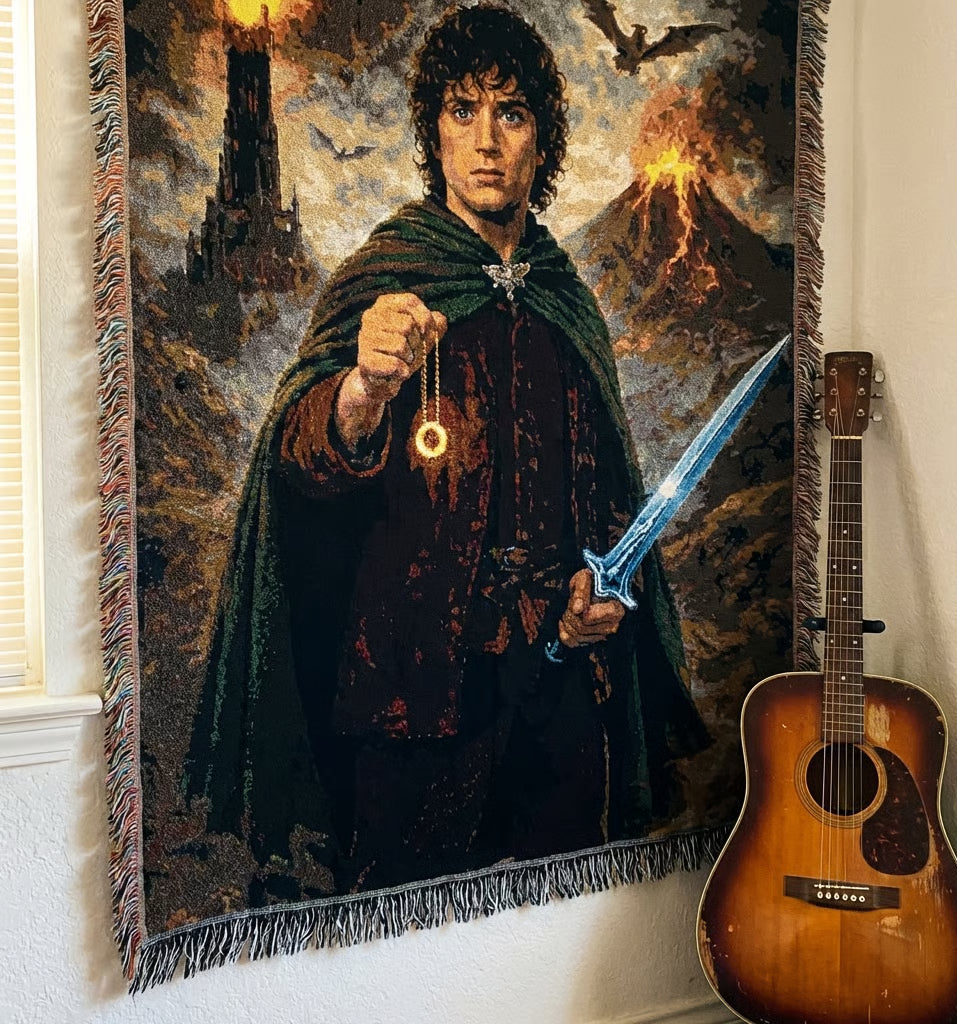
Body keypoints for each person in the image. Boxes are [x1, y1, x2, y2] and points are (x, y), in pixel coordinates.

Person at [183, 3, 709, 900]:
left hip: (557, 690)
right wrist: (364, 388)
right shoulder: (387, 278)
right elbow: (298, 465)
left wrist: (596, 592)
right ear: (434, 131)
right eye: (462, 111)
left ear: (542, 139)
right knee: (407, 939)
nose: (487, 141)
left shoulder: (564, 300)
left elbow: (604, 487)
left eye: (512, 113)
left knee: (563, 927)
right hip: (414, 698)